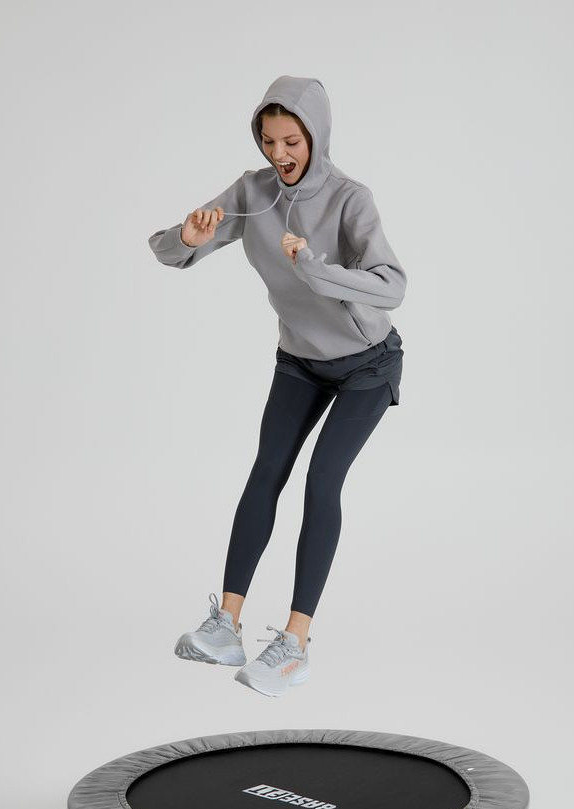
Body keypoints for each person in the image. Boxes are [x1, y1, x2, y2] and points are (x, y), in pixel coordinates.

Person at [148, 75, 406, 697]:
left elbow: (392, 286)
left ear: (316, 135)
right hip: (299, 360)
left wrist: (315, 269)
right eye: (269, 141)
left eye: (292, 141)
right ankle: (226, 626)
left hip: (367, 365)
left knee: (321, 481)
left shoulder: (350, 199)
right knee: (266, 473)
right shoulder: (253, 191)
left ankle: (294, 644)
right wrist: (188, 238)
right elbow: (165, 248)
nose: (280, 153)